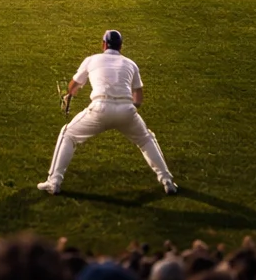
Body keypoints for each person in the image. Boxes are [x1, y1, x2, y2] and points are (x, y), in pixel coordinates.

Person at [39, 29, 177, 196]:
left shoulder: (91, 60)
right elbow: (138, 98)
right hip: (127, 110)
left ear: (103, 44)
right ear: (121, 46)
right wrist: (126, 111)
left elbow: (73, 87)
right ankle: (167, 180)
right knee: (146, 139)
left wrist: (69, 94)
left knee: (67, 134)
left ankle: (54, 182)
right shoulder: (131, 64)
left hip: (100, 108)